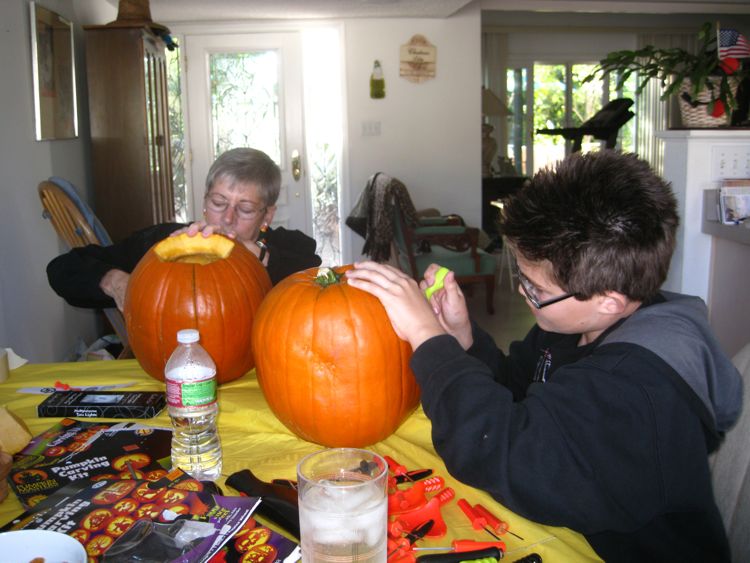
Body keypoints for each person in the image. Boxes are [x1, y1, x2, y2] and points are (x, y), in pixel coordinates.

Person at [345, 150, 743, 563]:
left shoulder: (637, 392)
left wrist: (426, 336)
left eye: (536, 289)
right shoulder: (573, 328)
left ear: (609, 300)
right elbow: (513, 395)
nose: (522, 293)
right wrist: (463, 338)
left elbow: (504, 455)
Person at [47, 148, 322, 310]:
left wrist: (260, 257)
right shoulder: (164, 242)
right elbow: (63, 269)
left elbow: (314, 278)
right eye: (218, 202)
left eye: (246, 208)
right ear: (204, 202)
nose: (227, 218)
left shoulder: (287, 248)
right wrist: (115, 282)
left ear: (267, 215)